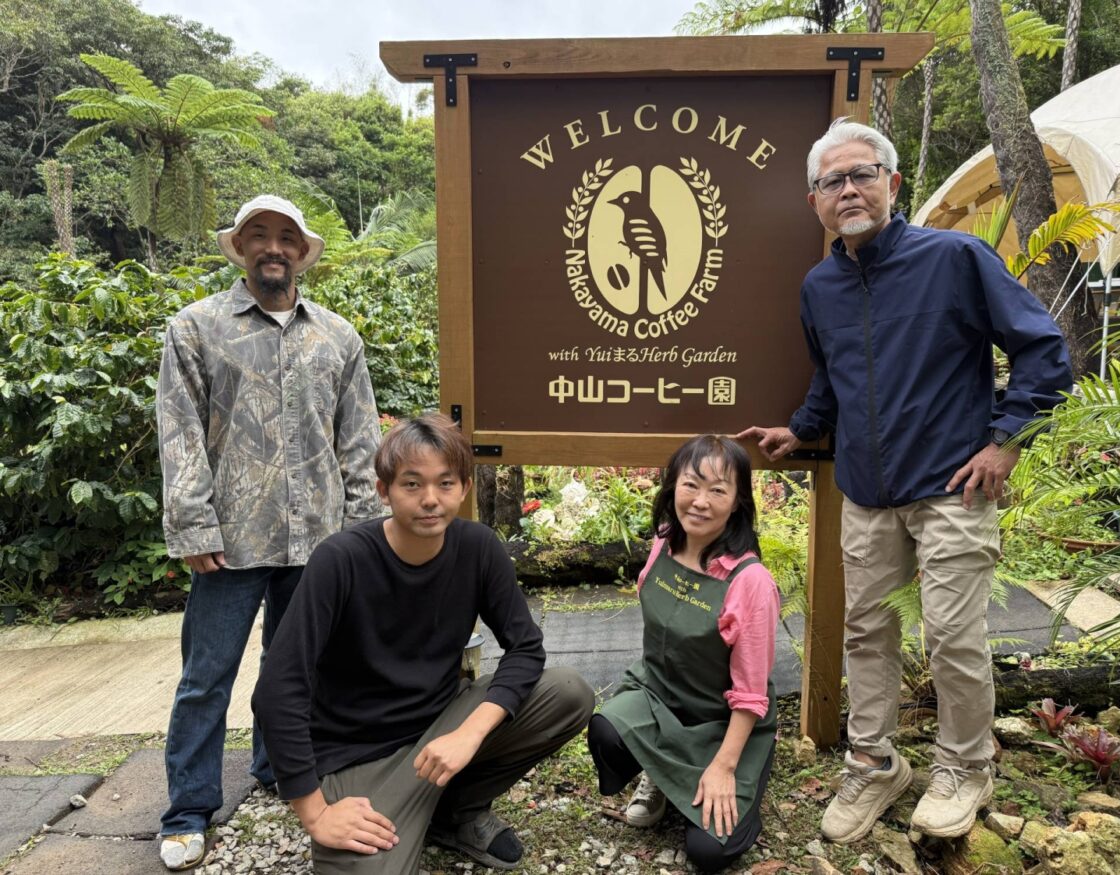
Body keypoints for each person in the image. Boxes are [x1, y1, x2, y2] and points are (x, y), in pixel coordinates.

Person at [738, 118, 1073, 844]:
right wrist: (800, 428)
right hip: (867, 492)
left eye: (863, 174)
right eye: (834, 181)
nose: (849, 190)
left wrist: (1007, 443)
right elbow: (831, 377)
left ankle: (965, 765)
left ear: (893, 184)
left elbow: (1045, 352)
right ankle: (874, 762)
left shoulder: (954, 257)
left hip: (954, 485)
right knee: (867, 632)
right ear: (815, 201)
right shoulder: (820, 287)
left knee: (953, 633)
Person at [252, 413, 594, 875]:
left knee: (568, 693)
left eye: (445, 483)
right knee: (368, 870)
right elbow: (278, 688)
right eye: (412, 485)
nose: (431, 500)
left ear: (464, 488)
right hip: (357, 751)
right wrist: (315, 813)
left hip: (440, 724)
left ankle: (455, 813)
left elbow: (526, 648)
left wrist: (469, 732)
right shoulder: (341, 561)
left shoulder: (477, 547)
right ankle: (416, 812)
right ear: (384, 491)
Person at [155, 194, 383, 870]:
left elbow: (361, 441)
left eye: (286, 236)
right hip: (230, 539)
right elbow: (180, 431)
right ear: (240, 248)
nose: (273, 246)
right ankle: (188, 809)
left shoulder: (337, 337)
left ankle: (275, 768)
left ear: (302, 252)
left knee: (297, 670)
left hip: (318, 539)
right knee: (207, 675)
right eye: (259, 235)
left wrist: (363, 534)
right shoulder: (195, 328)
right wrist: (193, 521)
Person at [588, 434, 779, 873]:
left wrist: (725, 768)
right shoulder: (663, 544)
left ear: (738, 503)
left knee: (711, 853)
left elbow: (751, 694)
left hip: (724, 722)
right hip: (660, 699)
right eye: (692, 484)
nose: (700, 501)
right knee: (604, 732)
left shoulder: (750, 583)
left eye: (718, 490)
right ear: (673, 485)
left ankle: (734, 783)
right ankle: (661, 778)